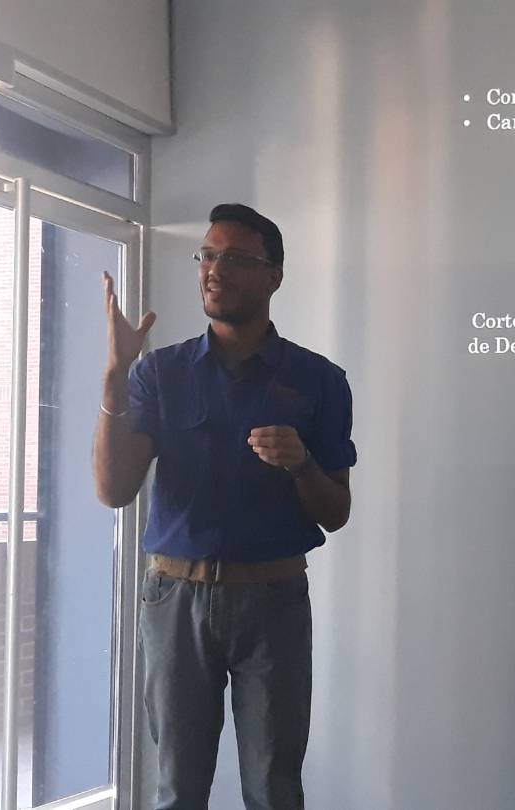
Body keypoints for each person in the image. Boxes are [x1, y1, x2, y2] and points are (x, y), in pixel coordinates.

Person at [92, 203, 356, 810]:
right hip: (174, 598)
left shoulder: (320, 381)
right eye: (208, 256)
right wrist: (114, 378)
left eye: (235, 258)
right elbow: (113, 489)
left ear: (274, 276)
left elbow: (336, 511)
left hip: (274, 601)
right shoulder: (160, 373)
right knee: (178, 790)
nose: (215, 269)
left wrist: (301, 464)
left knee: (274, 788)